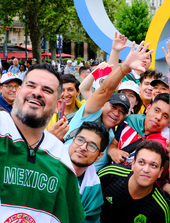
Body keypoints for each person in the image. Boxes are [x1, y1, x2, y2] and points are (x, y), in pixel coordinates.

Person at [0, 35, 85, 223]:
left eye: (47, 90)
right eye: (31, 85)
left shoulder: (61, 159)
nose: (37, 92)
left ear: (57, 106)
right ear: (18, 93)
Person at [64, 40, 153, 171]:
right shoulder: (91, 112)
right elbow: (106, 88)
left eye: (122, 111)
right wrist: (124, 67)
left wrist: (113, 150)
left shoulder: (114, 135)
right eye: (113, 107)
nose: (116, 113)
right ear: (104, 104)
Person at [97, 140, 170, 223]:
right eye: (141, 162)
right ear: (133, 164)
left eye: (153, 165)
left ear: (160, 172)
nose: (146, 169)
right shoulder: (110, 174)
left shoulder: (160, 208)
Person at [68, 121, 109, 223]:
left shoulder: (93, 188)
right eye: (80, 140)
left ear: (99, 156)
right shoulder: (48, 164)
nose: (83, 147)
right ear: (73, 140)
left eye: (92, 146)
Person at [107, 93, 170, 167]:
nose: (158, 117)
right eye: (156, 110)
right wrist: (113, 151)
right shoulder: (130, 121)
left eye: (165, 116)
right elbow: (113, 144)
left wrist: (168, 157)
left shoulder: (167, 141)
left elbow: (161, 174)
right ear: (148, 108)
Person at [46, 74, 83, 141]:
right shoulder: (47, 114)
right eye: (62, 90)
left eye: (70, 90)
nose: (66, 94)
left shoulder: (84, 108)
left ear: (78, 92)